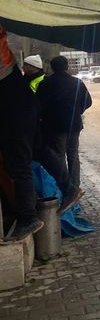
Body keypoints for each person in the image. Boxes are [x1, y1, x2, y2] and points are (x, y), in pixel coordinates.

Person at [0, 25, 42, 241]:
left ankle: (28, 216)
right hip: (22, 116)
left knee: (19, 167)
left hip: (16, 119)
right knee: (16, 166)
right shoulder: (13, 77)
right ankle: (25, 214)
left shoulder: (8, 80)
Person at [37, 56, 91, 213]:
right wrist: (76, 112)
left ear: (52, 67)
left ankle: (66, 188)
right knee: (73, 156)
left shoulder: (45, 84)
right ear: (67, 66)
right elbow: (87, 102)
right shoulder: (77, 83)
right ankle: (75, 185)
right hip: (73, 126)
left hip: (54, 126)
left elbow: (38, 104)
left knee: (58, 156)